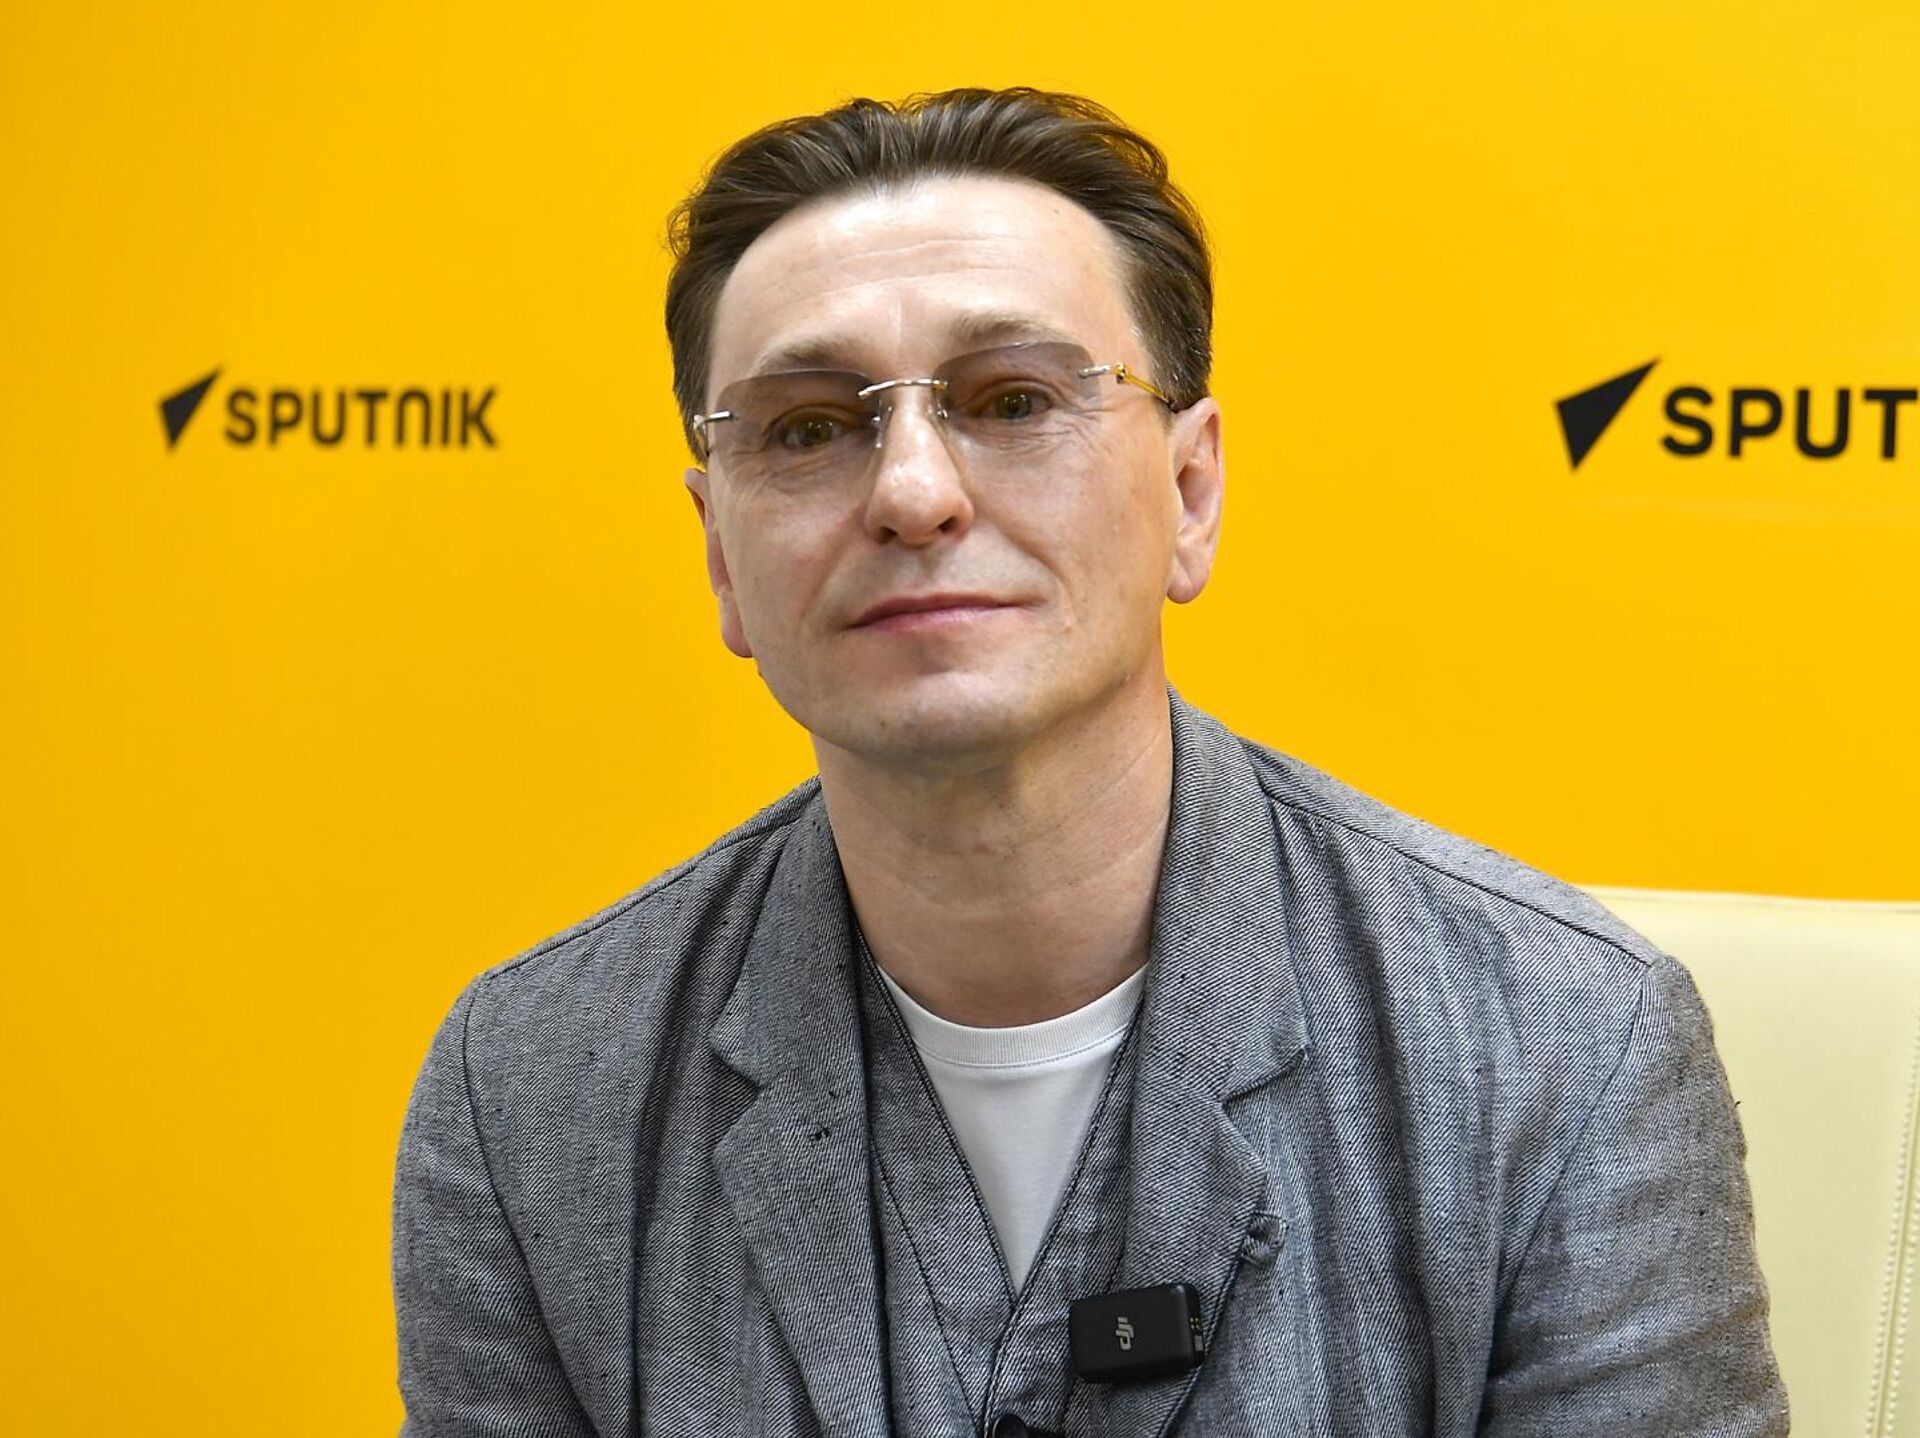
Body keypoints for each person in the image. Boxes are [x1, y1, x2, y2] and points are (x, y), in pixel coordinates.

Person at [391, 86, 1789, 1437]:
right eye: (810, 428)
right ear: (719, 555)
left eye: (1012, 400)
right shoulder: (533, 1091)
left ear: (1190, 491)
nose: (914, 493)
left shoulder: (1558, 1050)